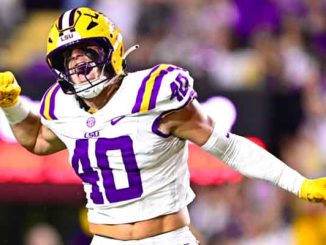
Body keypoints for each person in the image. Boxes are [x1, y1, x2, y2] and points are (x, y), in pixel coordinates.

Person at [0, 6, 326, 245]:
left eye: (88, 52)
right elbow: (39, 141)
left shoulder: (154, 94)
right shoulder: (60, 103)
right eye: (68, 60)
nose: (80, 66)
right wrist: (12, 107)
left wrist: (299, 185)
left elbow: (228, 147)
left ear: (112, 51)